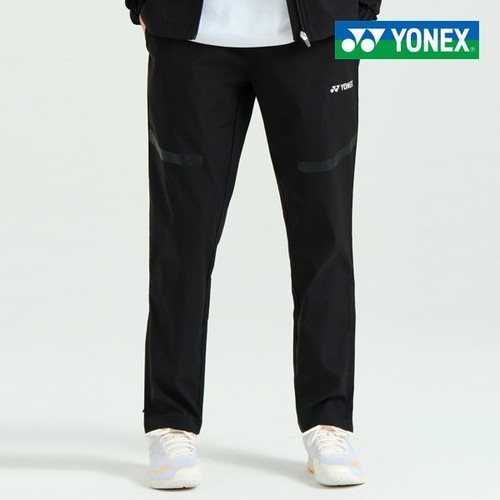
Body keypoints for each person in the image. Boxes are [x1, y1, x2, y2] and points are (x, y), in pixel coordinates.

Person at [124, 0, 382, 490]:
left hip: (317, 36)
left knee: (324, 237)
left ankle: (329, 419)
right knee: (182, 241)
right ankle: (170, 421)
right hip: (190, 38)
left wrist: (361, 8)